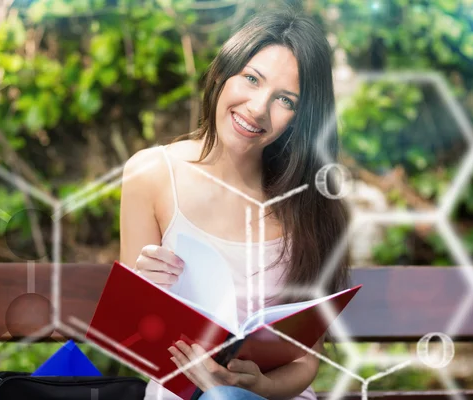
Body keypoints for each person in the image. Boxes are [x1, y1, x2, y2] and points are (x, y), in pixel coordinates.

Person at [119, 7, 351, 400]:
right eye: (251, 79)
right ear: (223, 73)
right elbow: (131, 337)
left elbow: (306, 362)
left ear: (300, 118)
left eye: (285, 100)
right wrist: (143, 287)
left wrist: (260, 385)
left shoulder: (311, 203)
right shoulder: (152, 173)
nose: (258, 108)